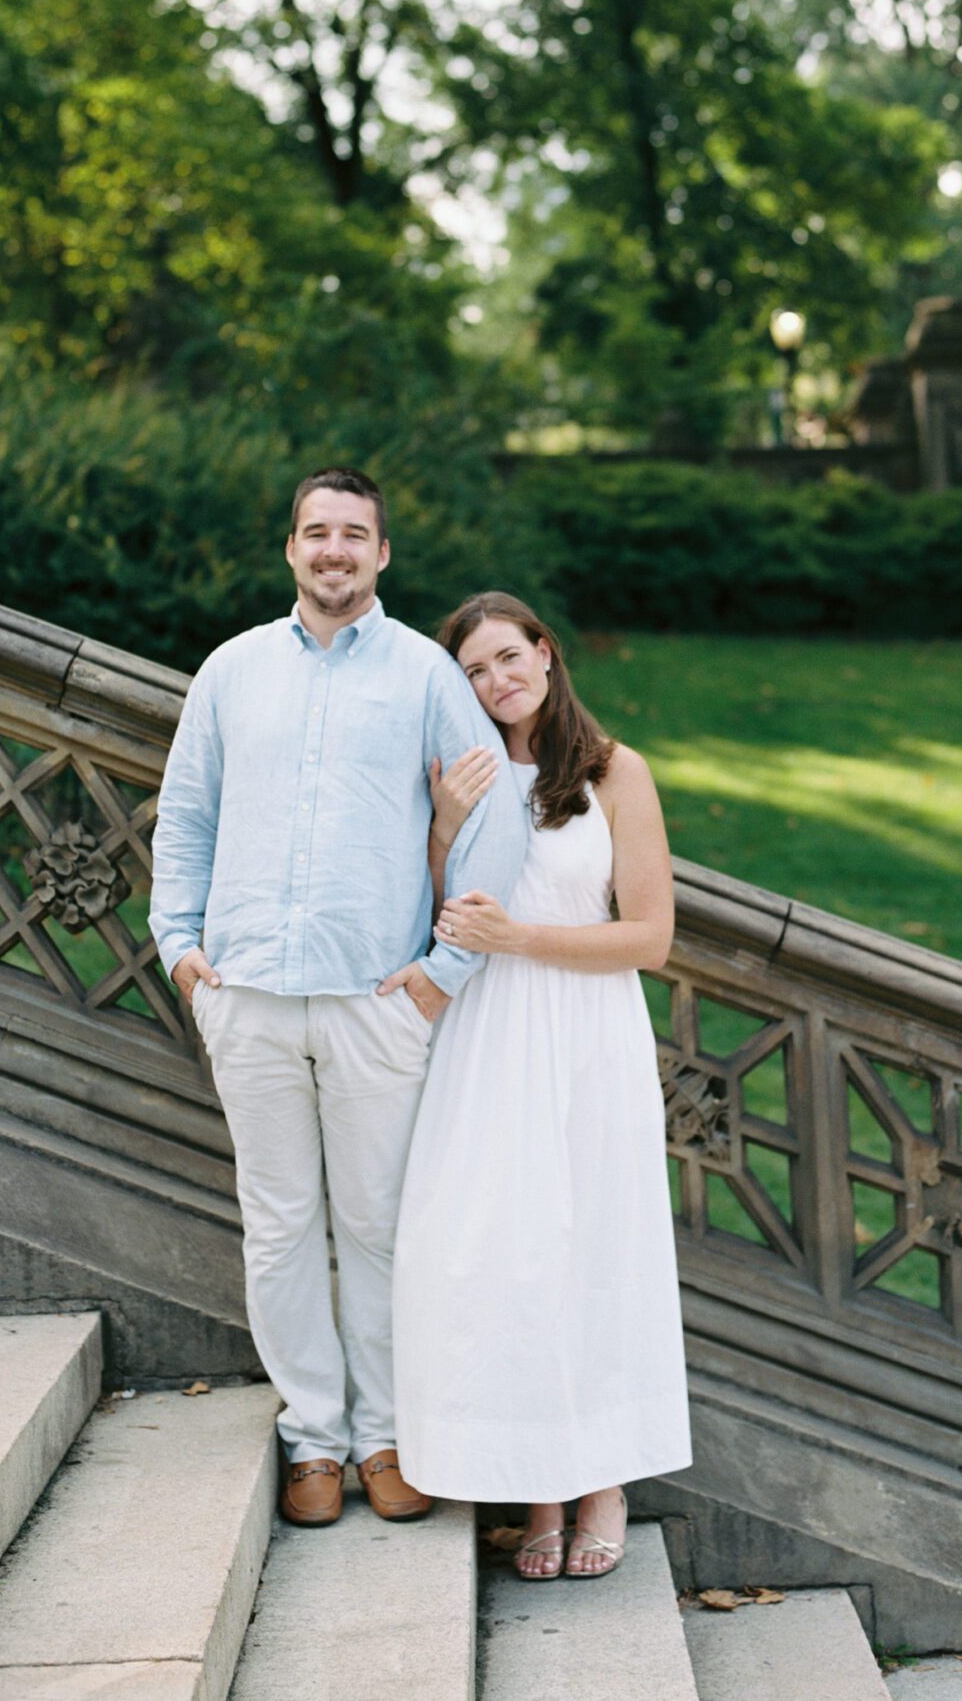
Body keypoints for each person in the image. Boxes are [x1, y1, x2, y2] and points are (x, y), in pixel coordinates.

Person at [148, 471, 527, 1530]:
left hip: (376, 1002)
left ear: (381, 554)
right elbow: (185, 816)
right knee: (278, 1227)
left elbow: (495, 821)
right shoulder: (231, 671)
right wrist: (180, 949)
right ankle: (312, 1438)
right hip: (250, 996)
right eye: (317, 531)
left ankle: (385, 1436)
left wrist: (441, 974)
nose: (334, 549)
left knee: (376, 1228)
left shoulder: (425, 674)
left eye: (354, 534)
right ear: (291, 548)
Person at [392, 591, 691, 1579]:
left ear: (546, 653)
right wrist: (444, 827)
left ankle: (601, 1482)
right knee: (502, 1256)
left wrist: (521, 937)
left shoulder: (614, 772)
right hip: (486, 1035)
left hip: (587, 1033)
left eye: (508, 658)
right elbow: (438, 912)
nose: (497, 681)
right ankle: (538, 1490)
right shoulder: (462, 772)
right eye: (475, 671)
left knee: (595, 1249)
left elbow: (650, 936)